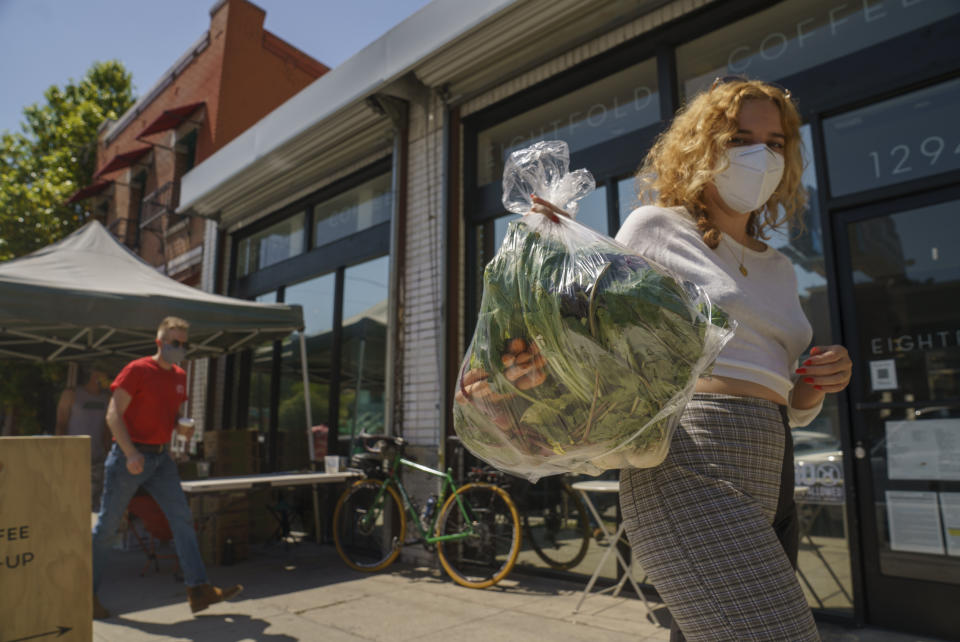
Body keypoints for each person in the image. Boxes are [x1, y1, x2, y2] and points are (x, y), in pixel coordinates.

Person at [528, 77, 852, 641]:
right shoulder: (656, 228)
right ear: (703, 146)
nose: (761, 155)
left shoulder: (779, 266)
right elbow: (595, 331)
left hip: (774, 466)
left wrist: (819, 381)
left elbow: (790, 399)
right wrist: (554, 254)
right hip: (691, 461)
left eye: (775, 142)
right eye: (740, 138)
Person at [91, 316, 242, 620]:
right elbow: (112, 415)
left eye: (185, 344)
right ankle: (83, 595)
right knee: (107, 527)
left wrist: (179, 428)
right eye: (175, 343)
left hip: (161, 459)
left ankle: (198, 590)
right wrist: (130, 452)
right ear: (159, 342)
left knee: (182, 519)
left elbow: (167, 416)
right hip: (128, 456)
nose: (180, 348)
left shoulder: (179, 376)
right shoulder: (137, 370)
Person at [56, 362, 112, 512]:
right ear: (94, 374)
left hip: (98, 458)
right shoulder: (71, 394)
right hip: (73, 457)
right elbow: (61, 424)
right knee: (73, 500)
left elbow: (107, 430)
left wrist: (107, 454)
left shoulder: (107, 398)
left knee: (94, 504)